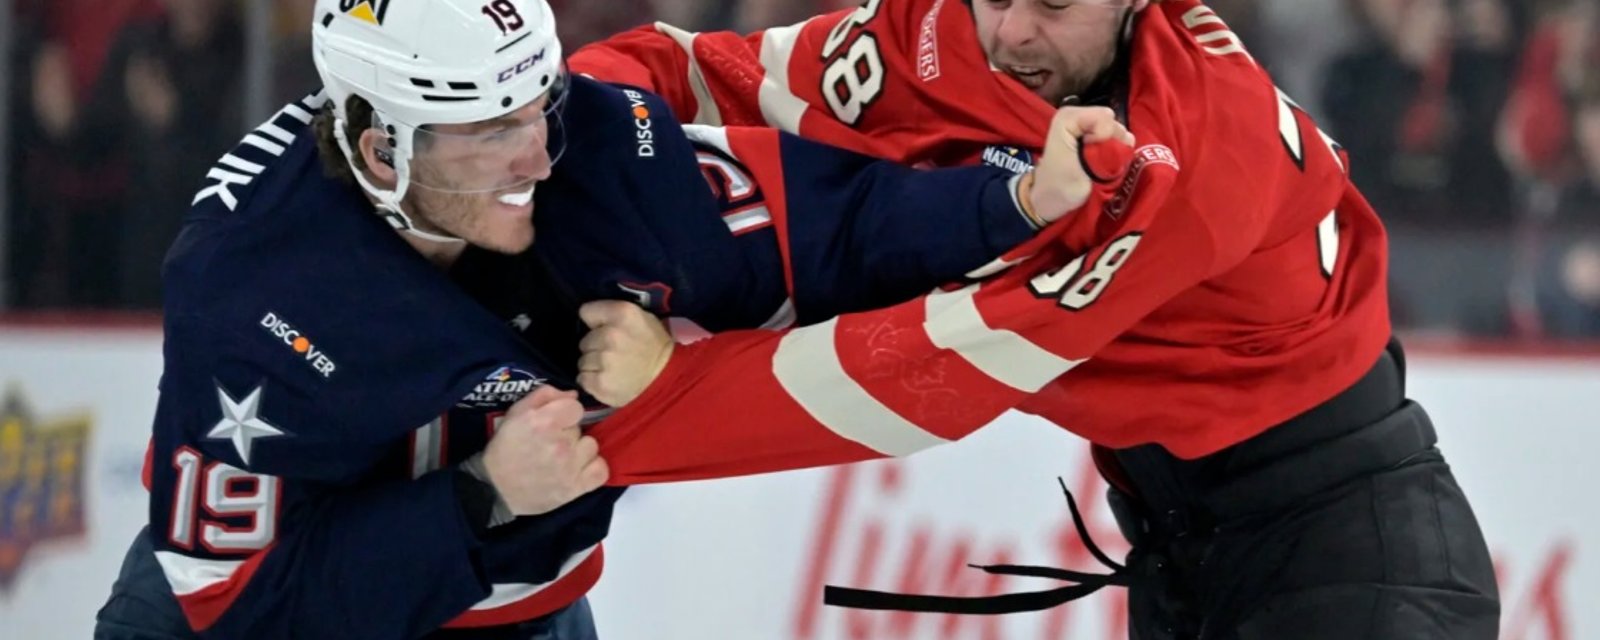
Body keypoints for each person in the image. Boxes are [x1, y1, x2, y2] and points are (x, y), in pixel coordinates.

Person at [91, 0, 1131, 637]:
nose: (537, 156)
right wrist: (481, 495)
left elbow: (828, 222)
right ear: (379, 152)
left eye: (533, 105)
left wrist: (1017, 199)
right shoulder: (248, 287)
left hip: (517, 615)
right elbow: (242, 604)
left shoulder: (592, 148)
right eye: (490, 129)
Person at [564, 1, 1502, 637]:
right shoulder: (945, 24)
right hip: (1181, 538)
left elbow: (936, 369)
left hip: (1353, 552)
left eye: (1054, 3)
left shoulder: (1194, 157)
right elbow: (719, 73)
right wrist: (538, 115)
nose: (1011, 32)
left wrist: (662, 398)